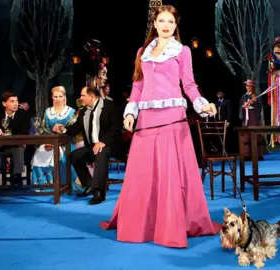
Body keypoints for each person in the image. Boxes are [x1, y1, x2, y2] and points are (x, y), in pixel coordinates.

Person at [99, 4, 220, 248]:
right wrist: (131, 112)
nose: (166, 25)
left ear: (176, 26)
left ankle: (172, 225)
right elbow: (138, 86)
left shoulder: (182, 51)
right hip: (147, 120)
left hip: (172, 118)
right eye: (162, 21)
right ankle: (141, 224)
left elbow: (188, 84)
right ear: (155, 23)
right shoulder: (142, 51)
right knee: (143, 173)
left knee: (170, 173)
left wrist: (201, 104)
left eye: (171, 22)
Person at [53, 86, 123, 205]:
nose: (80, 98)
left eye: (83, 95)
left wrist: (103, 142)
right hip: (92, 146)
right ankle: (89, 184)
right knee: (74, 156)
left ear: (91, 96)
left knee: (100, 152)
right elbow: (77, 128)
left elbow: (116, 126)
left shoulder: (109, 105)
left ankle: (99, 192)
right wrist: (63, 130)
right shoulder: (83, 111)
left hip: (110, 145)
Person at [31, 86, 81, 192]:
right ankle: (43, 185)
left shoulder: (71, 112)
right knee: (39, 153)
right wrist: (49, 142)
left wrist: (60, 137)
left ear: (64, 97)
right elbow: (43, 129)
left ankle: (62, 185)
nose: (58, 99)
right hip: (49, 143)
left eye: (60, 96)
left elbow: (73, 131)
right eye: (55, 97)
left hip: (66, 144)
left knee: (61, 157)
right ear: (52, 98)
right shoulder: (47, 112)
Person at [239, 79, 263, 160]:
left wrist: (254, 102)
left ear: (252, 87)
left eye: (249, 86)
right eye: (246, 86)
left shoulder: (255, 96)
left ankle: (257, 154)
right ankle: (247, 154)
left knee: (254, 134)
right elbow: (240, 107)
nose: (247, 87)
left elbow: (259, 107)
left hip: (253, 116)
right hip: (246, 116)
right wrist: (244, 106)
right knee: (246, 135)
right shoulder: (243, 96)